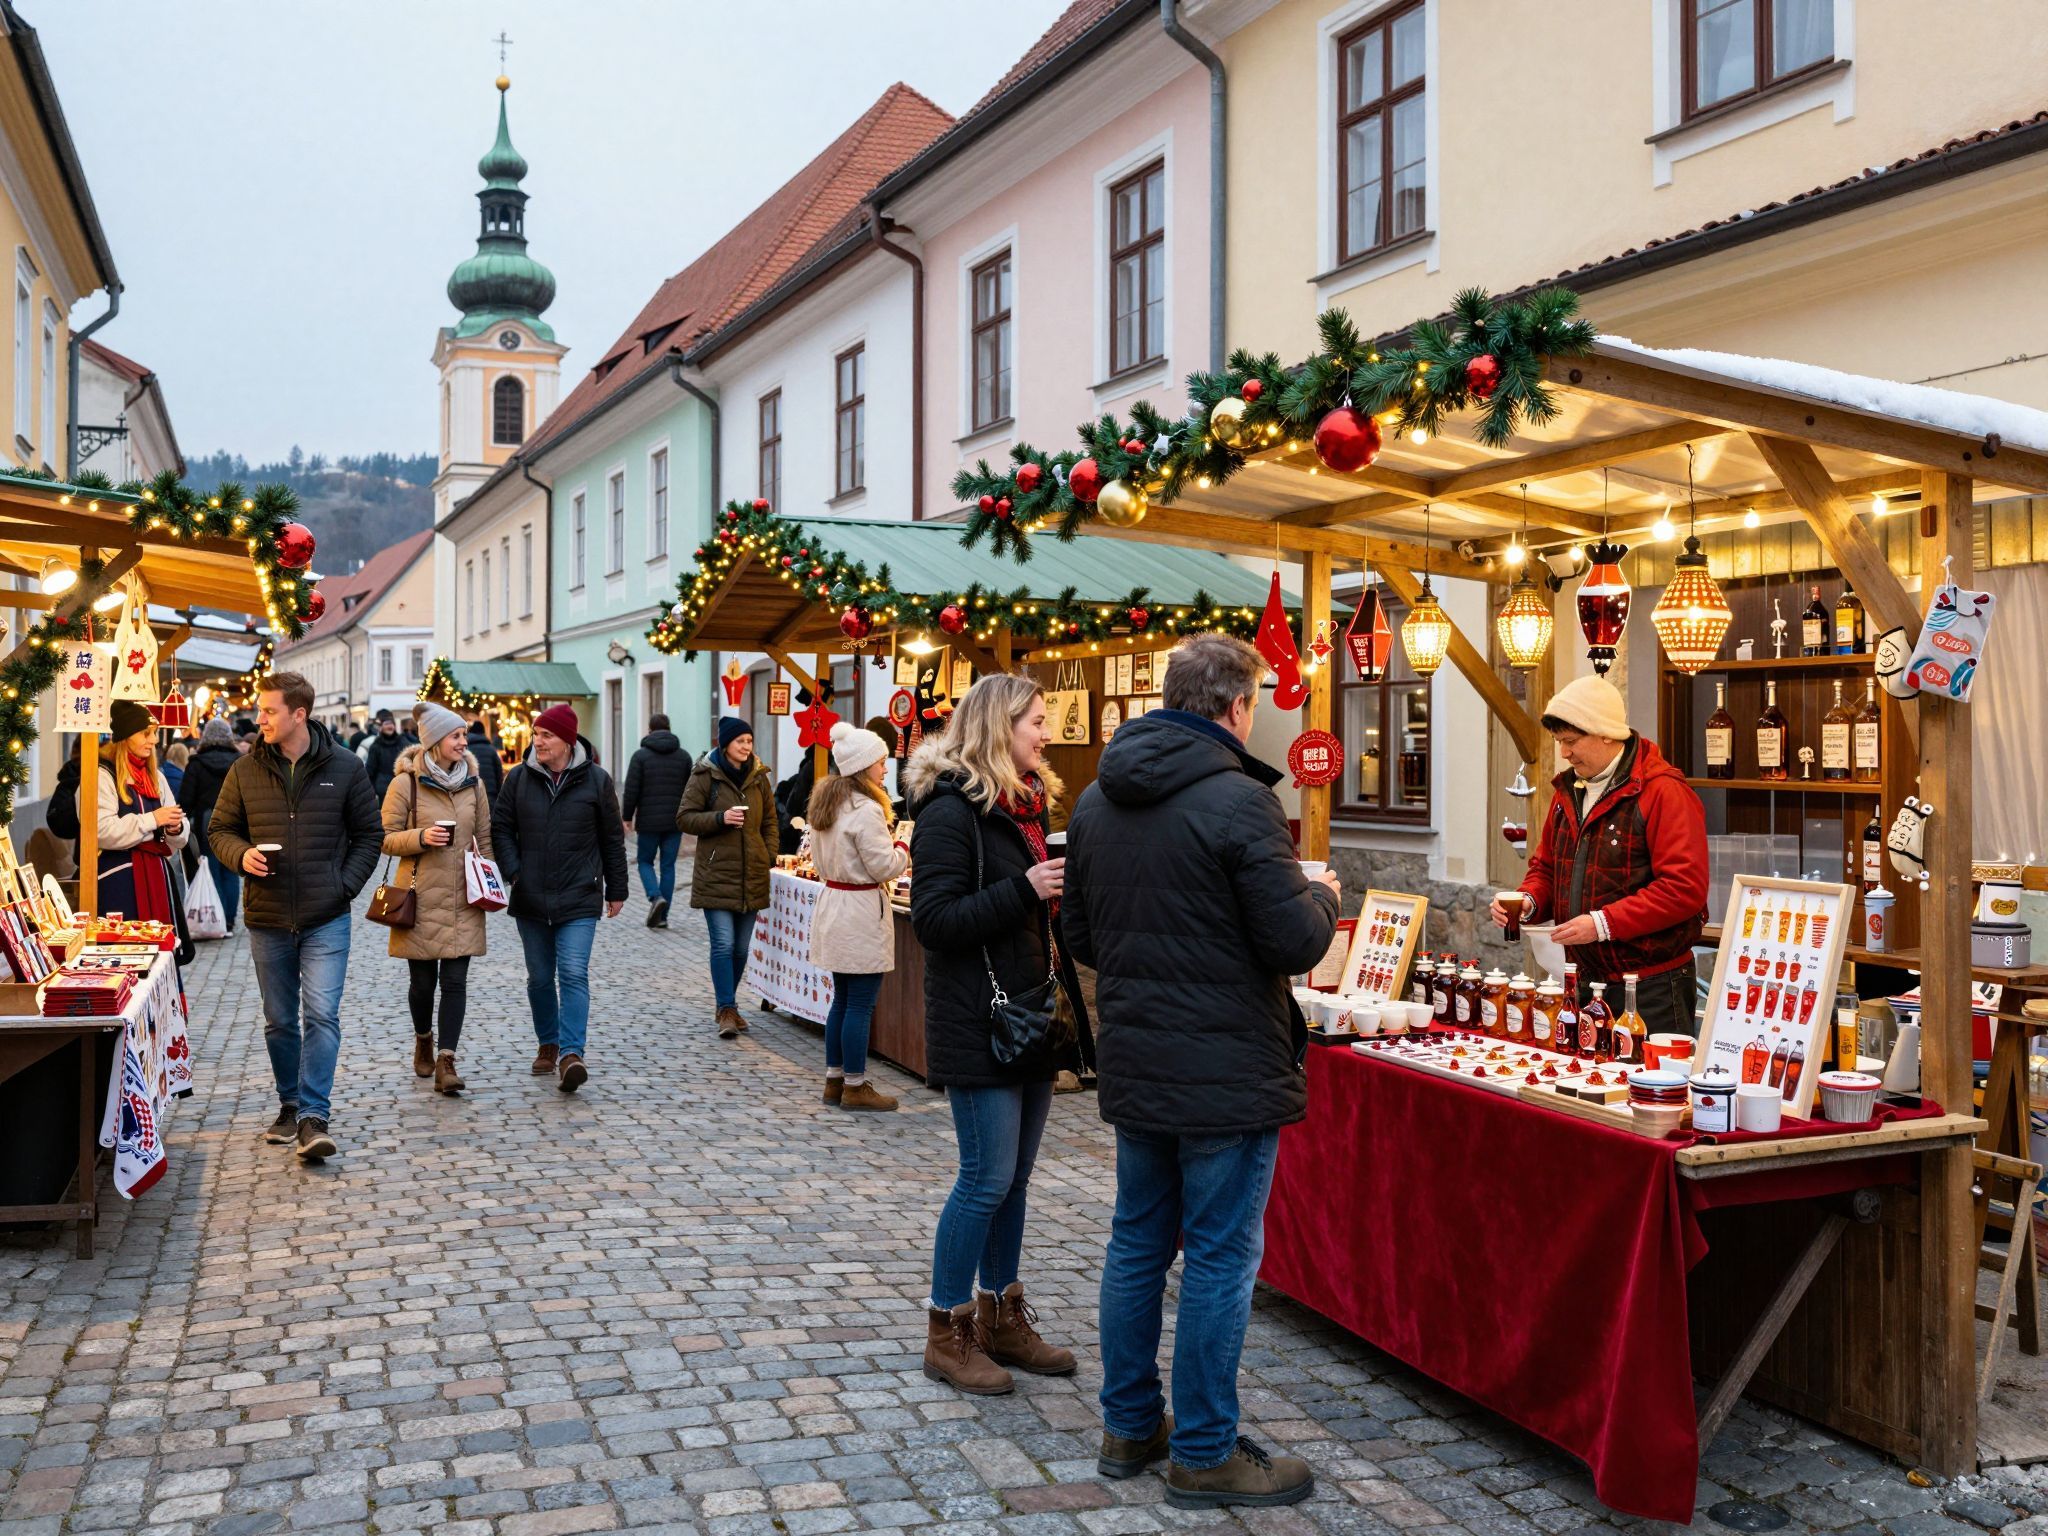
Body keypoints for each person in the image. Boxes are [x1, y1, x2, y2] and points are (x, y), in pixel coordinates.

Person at [1064, 633, 1341, 1508]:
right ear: (1234, 705)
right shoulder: (1238, 801)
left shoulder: (1097, 799)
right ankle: (1207, 1449)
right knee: (1219, 1258)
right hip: (1226, 1065)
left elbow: (1077, 937)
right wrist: (1324, 894)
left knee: (1138, 1240)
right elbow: (1293, 940)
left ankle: (1130, 1424)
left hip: (1142, 1056)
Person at [905, 673, 1077, 1397]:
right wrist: (1025, 890)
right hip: (978, 1019)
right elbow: (934, 922)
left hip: (1028, 1014)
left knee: (1014, 1183)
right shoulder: (951, 810)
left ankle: (1002, 1314)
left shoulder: (1028, 808)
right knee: (983, 1180)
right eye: (1036, 721)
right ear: (997, 727)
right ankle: (947, 1332)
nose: (1047, 732)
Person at [209, 672, 382, 1162]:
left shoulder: (346, 768)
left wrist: (342, 885)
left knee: (322, 1015)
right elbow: (219, 828)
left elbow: (370, 834)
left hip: (326, 915)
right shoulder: (243, 772)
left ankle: (312, 1115)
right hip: (266, 916)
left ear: (298, 714)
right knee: (280, 1020)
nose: (258, 718)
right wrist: (240, 855)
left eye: (269, 711)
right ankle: (289, 1103)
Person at [1491, 674, 1708, 1036]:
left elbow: (1683, 889)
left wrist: (1602, 924)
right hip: (1586, 981)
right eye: (1560, 742)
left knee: (1646, 1089)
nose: (1564, 752)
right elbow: (1547, 867)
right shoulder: (1569, 792)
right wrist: (1529, 900)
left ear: (1607, 733)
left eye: (1572, 741)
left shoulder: (1664, 792)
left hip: (1652, 987)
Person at [491, 702, 627, 1092]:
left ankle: (571, 1053)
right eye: (536, 734)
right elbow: (501, 828)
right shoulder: (518, 779)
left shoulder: (597, 781)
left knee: (572, 972)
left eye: (546, 735)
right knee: (538, 978)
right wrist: (515, 871)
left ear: (568, 740)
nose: (539, 741)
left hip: (580, 895)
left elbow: (611, 840)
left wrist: (616, 888)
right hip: (531, 896)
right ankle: (547, 1043)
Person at [379, 701, 494, 1096]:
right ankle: (424, 1037)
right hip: (420, 895)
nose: (464, 742)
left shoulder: (474, 784)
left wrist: (489, 881)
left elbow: (486, 837)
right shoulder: (405, 783)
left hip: (464, 896)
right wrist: (422, 838)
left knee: (457, 981)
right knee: (423, 983)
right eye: (456, 736)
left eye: (464, 735)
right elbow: (386, 838)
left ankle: (447, 1059)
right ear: (434, 742)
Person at [806, 721, 910, 1113]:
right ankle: (855, 1085)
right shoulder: (866, 810)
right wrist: (903, 843)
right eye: (881, 763)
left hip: (835, 905)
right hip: (859, 911)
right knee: (860, 1004)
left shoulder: (827, 804)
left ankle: (835, 1079)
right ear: (864, 766)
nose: (886, 769)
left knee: (842, 1000)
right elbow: (884, 866)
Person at [676, 717, 775, 1039]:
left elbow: (771, 821)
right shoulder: (706, 775)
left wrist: (768, 854)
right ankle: (727, 1008)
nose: (746, 747)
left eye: (749, 741)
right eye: (740, 741)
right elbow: (685, 818)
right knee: (723, 944)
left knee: (741, 949)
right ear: (725, 743)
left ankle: (726, 1007)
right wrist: (720, 818)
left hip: (752, 873)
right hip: (716, 873)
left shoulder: (760, 777)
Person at [91, 700, 190, 931]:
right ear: (126, 736)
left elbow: (177, 832)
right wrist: (154, 820)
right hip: (118, 881)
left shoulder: (155, 776)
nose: (154, 740)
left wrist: (174, 829)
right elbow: (102, 832)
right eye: (146, 733)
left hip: (156, 876)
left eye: (154, 733)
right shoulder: (102, 776)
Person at [622, 711, 692, 927]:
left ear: (650, 731)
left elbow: (631, 789)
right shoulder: (683, 756)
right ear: (669, 729)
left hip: (649, 821)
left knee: (645, 861)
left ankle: (655, 897)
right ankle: (663, 917)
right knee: (668, 866)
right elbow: (691, 789)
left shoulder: (640, 756)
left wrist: (627, 817)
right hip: (675, 821)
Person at [177, 718, 246, 934]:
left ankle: (214, 916)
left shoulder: (196, 764)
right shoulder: (239, 761)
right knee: (231, 871)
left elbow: (186, 799)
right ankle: (229, 919)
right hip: (234, 822)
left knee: (210, 867)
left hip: (206, 823)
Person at [363, 712, 406, 799]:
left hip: (401, 787)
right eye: (386, 724)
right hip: (383, 790)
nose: (390, 726)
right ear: (381, 727)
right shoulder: (376, 746)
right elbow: (370, 770)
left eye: (392, 724)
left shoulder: (402, 742)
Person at [465, 714, 504, 803]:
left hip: (470, 791)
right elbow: (499, 773)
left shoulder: (466, 749)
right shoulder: (491, 749)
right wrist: (498, 792)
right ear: (483, 733)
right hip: (490, 792)